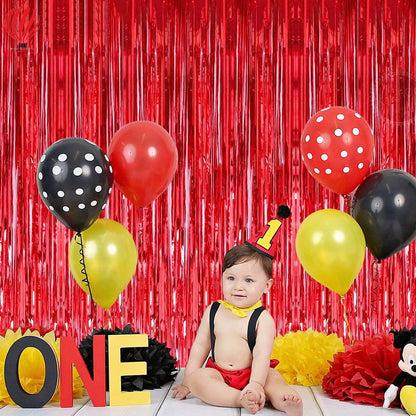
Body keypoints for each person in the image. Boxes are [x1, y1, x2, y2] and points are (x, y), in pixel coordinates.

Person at [172, 207, 302, 415]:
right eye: (231, 278)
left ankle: (282, 399)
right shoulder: (214, 310)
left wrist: (257, 383)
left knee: (272, 378)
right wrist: (189, 381)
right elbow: (200, 346)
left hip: (254, 373)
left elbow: (261, 355)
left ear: (267, 286)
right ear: (222, 277)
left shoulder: (262, 319)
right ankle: (237, 399)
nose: (238, 287)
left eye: (249, 280)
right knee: (199, 379)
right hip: (219, 374)